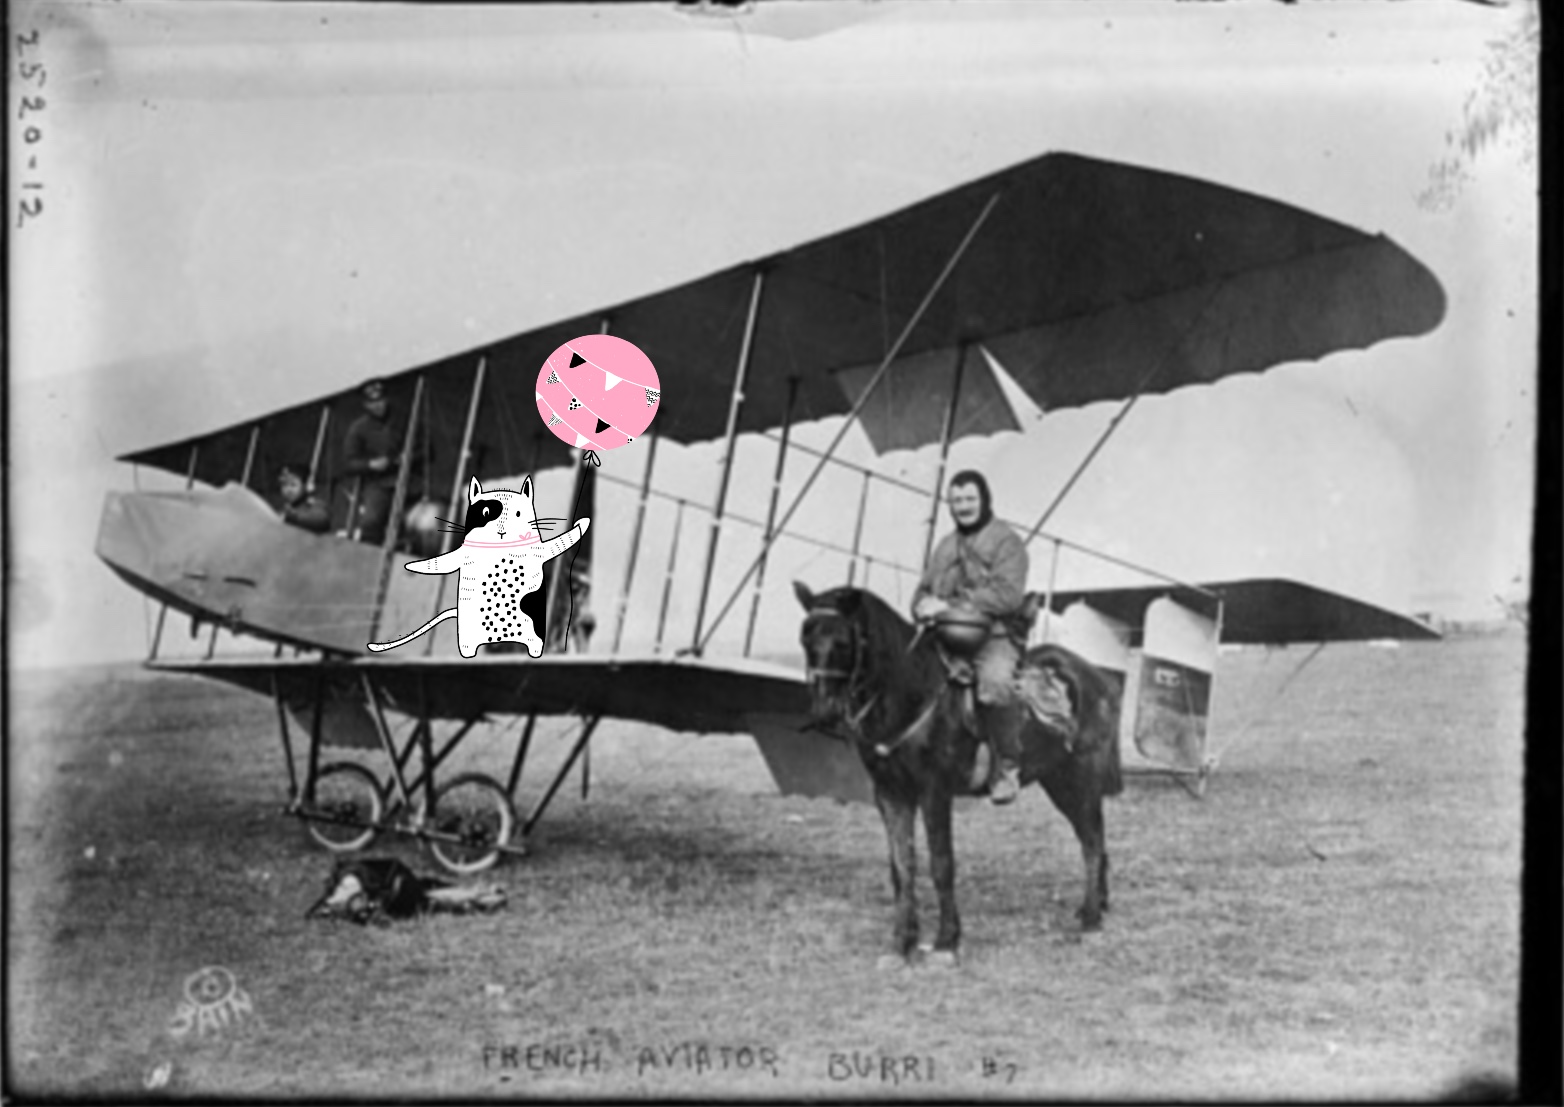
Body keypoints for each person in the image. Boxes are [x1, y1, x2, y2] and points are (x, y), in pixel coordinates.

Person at [911, 470, 1031, 804]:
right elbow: (923, 589)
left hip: (992, 635)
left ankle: (1008, 765)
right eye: (956, 500)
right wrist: (920, 606)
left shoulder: (1007, 541)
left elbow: (1009, 596)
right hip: (944, 635)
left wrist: (948, 604)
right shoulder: (945, 546)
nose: (963, 506)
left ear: (984, 500)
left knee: (994, 686)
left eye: (969, 499)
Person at [342, 378, 400, 544]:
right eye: (372, 402)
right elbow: (348, 463)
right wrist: (370, 465)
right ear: (365, 405)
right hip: (379, 484)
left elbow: (427, 448)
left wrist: (407, 457)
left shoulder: (404, 419)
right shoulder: (358, 428)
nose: (378, 405)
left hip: (410, 480)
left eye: (380, 400)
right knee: (371, 521)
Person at [276, 463, 330, 534]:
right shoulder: (283, 509)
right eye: (284, 485)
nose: (288, 490)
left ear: (305, 485)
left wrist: (294, 516)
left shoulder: (313, 504)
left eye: (293, 485)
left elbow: (322, 520)